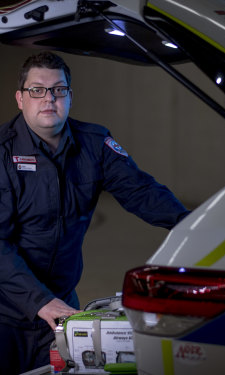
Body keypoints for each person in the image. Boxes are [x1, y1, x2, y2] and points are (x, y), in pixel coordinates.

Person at [0, 51, 189, 374]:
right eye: (37, 90)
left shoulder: (94, 144)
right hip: (7, 312)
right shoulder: (2, 153)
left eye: (58, 90)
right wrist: (39, 302)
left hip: (61, 308)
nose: (48, 98)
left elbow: (142, 192)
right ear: (20, 98)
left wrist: (195, 225)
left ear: (70, 96)